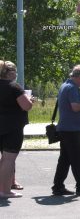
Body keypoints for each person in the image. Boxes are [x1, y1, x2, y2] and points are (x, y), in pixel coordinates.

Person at [51, 65, 80, 196]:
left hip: (66, 128)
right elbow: (76, 107)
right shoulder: (72, 88)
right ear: (78, 76)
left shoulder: (66, 85)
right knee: (77, 157)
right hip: (71, 129)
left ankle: (58, 186)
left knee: (65, 159)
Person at [0, 60, 34, 198]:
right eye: (14, 71)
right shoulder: (14, 87)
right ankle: (5, 191)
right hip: (12, 128)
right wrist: (30, 99)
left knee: (3, 160)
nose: (16, 73)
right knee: (8, 160)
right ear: (9, 73)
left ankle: (2, 189)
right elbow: (26, 106)